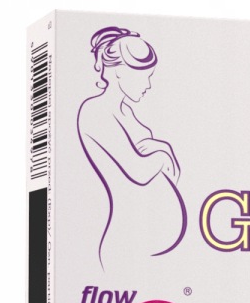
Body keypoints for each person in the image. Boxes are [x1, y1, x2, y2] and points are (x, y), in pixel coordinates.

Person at [77, 27, 186, 269]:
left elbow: (163, 172)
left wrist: (161, 149)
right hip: (128, 246)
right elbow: (139, 171)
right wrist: (163, 154)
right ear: (119, 72)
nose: (148, 84)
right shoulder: (95, 111)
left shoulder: (126, 111)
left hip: (154, 245)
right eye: (143, 76)